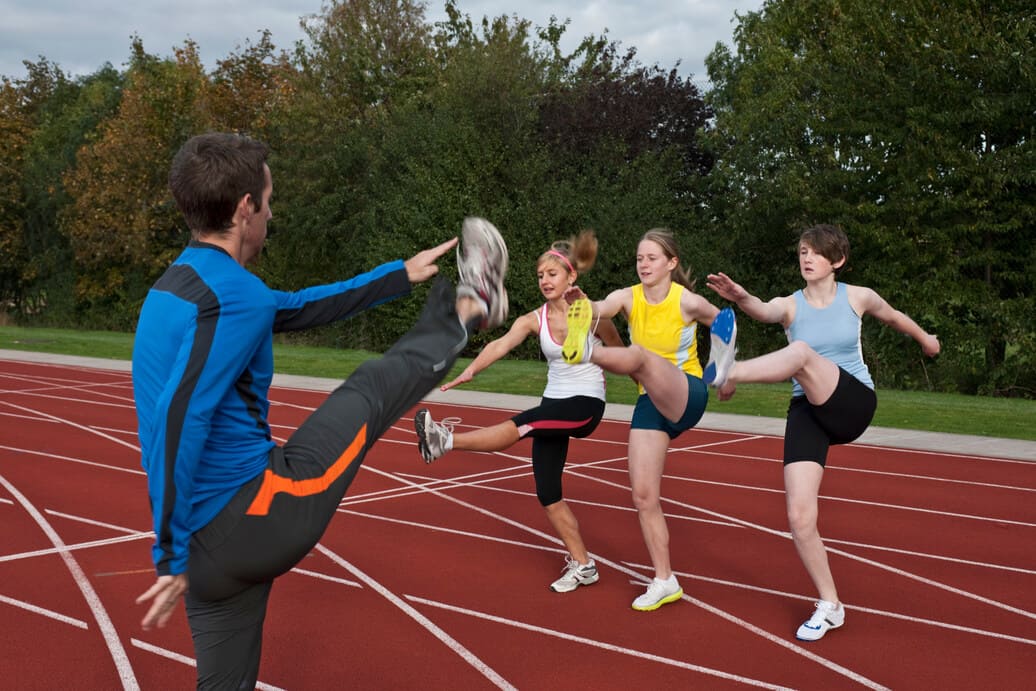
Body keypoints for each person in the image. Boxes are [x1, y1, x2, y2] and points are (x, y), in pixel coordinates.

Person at [131, 132, 509, 689]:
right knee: (371, 388)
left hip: (208, 559)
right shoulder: (231, 299)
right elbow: (177, 417)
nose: (272, 211)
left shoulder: (174, 287)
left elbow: (294, 308)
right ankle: (472, 306)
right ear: (244, 209)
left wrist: (395, 277)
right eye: (269, 199)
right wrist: (166, 552)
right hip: (256, 519)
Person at [704, 223, 940, 641]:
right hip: (808, 410)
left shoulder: (857, 296)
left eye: (814, 252)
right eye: (801, 252)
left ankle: (729, 371)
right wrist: (741, 297)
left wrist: (927, 339)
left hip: (853, 402)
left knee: (800, 353)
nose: (806, 258)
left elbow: (894, 316)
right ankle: (830, 604)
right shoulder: (791, 305)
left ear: (837, 260)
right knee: (799, 516)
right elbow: (763, 309)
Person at [413, 230, 624, 593]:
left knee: (526, 423)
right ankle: (584, 565)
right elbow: (500, 344)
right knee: (548, 492)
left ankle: (444, 441)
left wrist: (642, 378)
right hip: (554, 404)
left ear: (571, 277)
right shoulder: (534, 319)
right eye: (540, 275)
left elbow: (620, 350)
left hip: (586, 404)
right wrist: (470, 371)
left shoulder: (591, 314)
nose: (544, 280)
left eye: (552, 274)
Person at [561, 228, 721, 611]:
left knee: (641, 357)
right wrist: (588, 307)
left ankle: (586, 352)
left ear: (671, 263)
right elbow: (606, 305)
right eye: (639, 258)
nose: (644, 264)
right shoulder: (629, 296)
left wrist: (722, 368)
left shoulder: (688, 302)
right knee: (644, 496)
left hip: (688, 392)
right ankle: (665, 579)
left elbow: (724, 322)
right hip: (651, 402)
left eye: (651, 258)